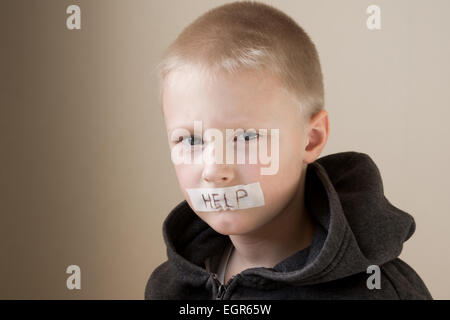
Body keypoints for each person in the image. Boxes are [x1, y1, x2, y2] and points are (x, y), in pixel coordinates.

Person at [145, 1, 432, 299]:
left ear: (311, 139)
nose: (215, 169)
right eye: (191, 141)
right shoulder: (169, 286)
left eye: (245, 137)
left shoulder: (379, 291)